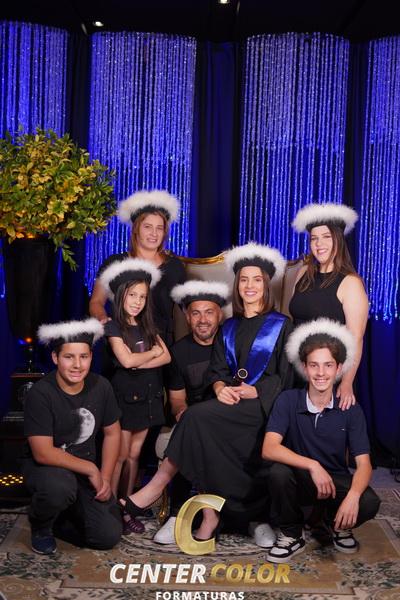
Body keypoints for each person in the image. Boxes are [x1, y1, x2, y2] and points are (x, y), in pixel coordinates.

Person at [120, 242, 293, 542]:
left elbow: (286, 376)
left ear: (266, 285)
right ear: (237, 285)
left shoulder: (282, 325)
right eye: (243, 279)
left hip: (264, 408)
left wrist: (256, 391)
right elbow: (217, 370)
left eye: (256, 280)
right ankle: (208, 513)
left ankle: (155, 489)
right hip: (231, 404)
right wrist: (220, 388)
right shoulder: (229, 327)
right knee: (198, 419)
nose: (249, 286)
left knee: (196, 417)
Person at [262, 318, 380, 563]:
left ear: (338, 369)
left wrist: (352, 497)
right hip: (301, 479)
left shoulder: (350, 409)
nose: (321, 373)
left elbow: (364, 464)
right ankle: (292, 534)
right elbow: (269, 448)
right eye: (314, 365)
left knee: (369, 501)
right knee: (277, 473)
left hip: (335, 480)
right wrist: (312, 465)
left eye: (328, 365)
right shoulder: (288, 400)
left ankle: (335, 524)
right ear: (305, 368)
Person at [23, 319, 122, 555]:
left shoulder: (102, 386)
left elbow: (112, 433)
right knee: (59, 488)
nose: (77, 365)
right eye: (69, 357)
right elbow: (43, 452)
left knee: (108, 536)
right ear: (55, 358)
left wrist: (105, 477)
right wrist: (92, 469)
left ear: (91, 357)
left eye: (84, 357)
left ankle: (61, 519)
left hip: (83, 473)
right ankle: (41, 525)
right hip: (49, 469)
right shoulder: (41, 393)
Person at [98, 257, 171, 534]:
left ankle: (127, 506)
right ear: (121, 295)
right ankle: (109, 507)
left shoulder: (149, 325)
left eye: (142, 296)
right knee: (119, 456)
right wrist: (149, 354)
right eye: (132, 295)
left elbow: (166, 357)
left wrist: (140, 361)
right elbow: (126, 360)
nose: (138, 301)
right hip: (124, 399)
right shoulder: (112, 326)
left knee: (135, 455)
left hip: (148, 397)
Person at [153, 279, 229, 544]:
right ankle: (178, 516)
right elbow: (176, 399)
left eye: (209, 312)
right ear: (187, 317)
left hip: (228, 419)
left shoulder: (232, 345)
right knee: (191, 432)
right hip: (193, 421)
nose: (203, 319)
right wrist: (182, 413)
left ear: (220, 315)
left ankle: (250, 518)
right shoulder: (178, 352)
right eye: (196, 313)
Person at [289, 203, 369, 409]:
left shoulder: (351, 283)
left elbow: (356, 338)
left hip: (327, 375)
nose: (319, 244)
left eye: (326, 236)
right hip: (295, 369)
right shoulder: (303, 273)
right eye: (314, 238)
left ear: (338, 239)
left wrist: (347, 382)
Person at [89, 189, 186, 345]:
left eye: (159, 228)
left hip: (161, 344)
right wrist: (103, 320)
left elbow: (187, 307)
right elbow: (96, 302)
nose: (154, 233)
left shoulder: (174, 266)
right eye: (147, 226)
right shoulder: (115, 263)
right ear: (135, 229)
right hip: (121, 341)